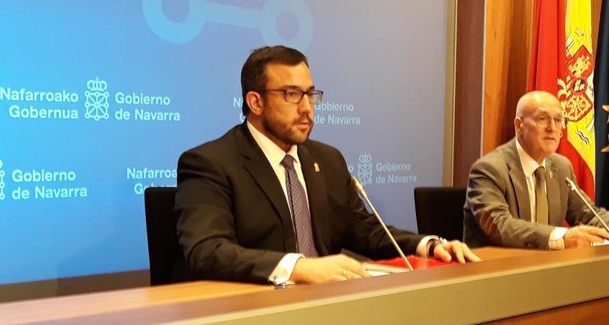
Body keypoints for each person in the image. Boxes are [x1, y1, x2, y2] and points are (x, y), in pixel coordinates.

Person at [175, 45, 479, 285]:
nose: (307, 108)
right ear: (255, 102)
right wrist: (299, 268)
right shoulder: (211, 163)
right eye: (292, 95)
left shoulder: (327, 159)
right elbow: (207, 251)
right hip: (256, 313)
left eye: (310, 95)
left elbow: (364, 230)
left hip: (330, 306)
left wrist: (427, 245)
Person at [464, 91, 609, 249]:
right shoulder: (489, 169)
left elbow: (590, 215)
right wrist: (561, 237)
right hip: (496, 272)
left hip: (547, 271)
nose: (553, 128)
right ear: (519, 125)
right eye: (542, 119)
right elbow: (499, 226)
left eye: (558, 120)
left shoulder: (561, 167)